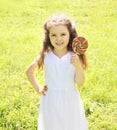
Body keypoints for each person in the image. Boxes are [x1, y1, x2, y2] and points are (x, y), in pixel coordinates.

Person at [26, 13, 88, 130]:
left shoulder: (74, 56)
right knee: (52, 125)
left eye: (63, 34)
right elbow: (29, 72)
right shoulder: (46, 56)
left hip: (70, 99)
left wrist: (78, 67)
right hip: (50, 99)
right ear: (48, 36)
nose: (58, 39)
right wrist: (38, 88)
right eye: (53, 35)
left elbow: (80, 82)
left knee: (70, 125)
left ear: (70, 35)